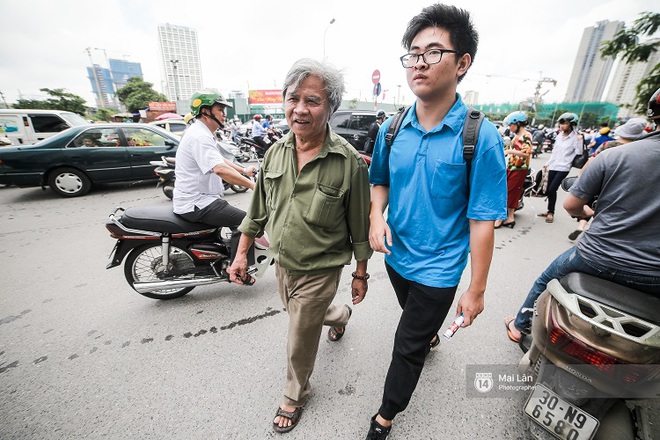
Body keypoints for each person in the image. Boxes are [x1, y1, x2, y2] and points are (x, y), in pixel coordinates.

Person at [366, 4, 507, 439]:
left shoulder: (480, 137)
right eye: (413, 53)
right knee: (415, 321)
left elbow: (483, 220)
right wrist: (376, 217)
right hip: (396, 257)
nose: (419, 63)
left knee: (405, 346)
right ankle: (428, 334)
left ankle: (385, 416)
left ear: (462, 63)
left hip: (440, 269)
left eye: (433, 52)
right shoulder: (393, 127)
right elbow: (380, 181)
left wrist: (476, 289)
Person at [227, 58, 372, 433]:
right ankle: (339, 316)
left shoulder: (349, 163)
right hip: (283, 263)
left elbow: (359, 224)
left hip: (322, 267)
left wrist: (360, 273)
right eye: (293, 99)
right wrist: (242, 253)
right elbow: (257, 209)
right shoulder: (275, 152)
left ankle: (295, 394)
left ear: (330, 107)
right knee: (302, 319)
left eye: (312, 100)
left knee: (299, 335)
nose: (300, 109)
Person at [504, 88, 660, 344]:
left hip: (596, 255)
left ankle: (520, 326)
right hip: (654, 275)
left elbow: (573, 204)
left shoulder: (612, 155)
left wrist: (588, 213)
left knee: (546, 279)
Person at [173, 90, 257, 260]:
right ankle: (237, 268)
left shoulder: (201, 133)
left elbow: (220, 160)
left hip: (202, 199)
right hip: (197, 202)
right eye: (220, 110)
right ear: (205, 111)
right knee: (245, 222)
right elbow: (220, 169)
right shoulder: (199, 136)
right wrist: (253, 186)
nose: (224, 115)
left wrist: (244, 171)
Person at [567, 117, 648, 242]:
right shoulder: (642, 152)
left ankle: (582, 226)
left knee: (588, 206)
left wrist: (580, 176)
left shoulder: (608, 146)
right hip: (623, 193)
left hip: (601, 186)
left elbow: (591, 161)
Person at [536, 112, 582, 223]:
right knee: (547, 188)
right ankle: (548, 210)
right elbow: (555, 153)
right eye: (561, 124)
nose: (562, 126)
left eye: (565, 123)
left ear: (571, 124)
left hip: (564, 168)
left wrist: (580, 141)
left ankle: (551, 212)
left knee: (552, 189)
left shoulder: (576, 138)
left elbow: (579, 152)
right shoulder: (559, 136)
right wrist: (548, 163)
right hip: (553, 165)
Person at [495, 111, 532, 229]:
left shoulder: (526, 136)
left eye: (511, 125)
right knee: (511, 191)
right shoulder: (516, 137)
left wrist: (510, 151)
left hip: (519, 168)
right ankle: (510, 218)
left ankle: (501, 218)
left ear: (518, 123)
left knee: (508, 192)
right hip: (511, 166)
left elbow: (526, 153)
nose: (510, 127)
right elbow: (507, 147)